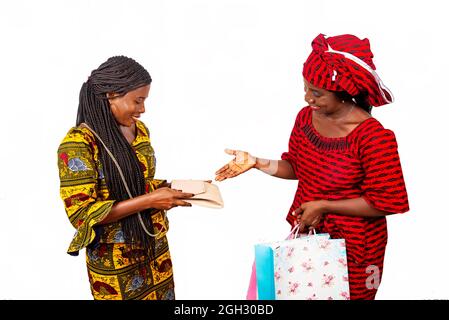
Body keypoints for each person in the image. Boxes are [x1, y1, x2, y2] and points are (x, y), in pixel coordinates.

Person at [215, 34, 409, 300]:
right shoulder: (306, 119)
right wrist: (257, 163)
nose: (308, 98)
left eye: (317, 92)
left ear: (344, 94)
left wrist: (324, 205)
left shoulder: (373, 137)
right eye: (305, 88)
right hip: (310, 238)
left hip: (357, 249)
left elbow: (387, 202)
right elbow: (298, 167)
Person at [57, 56, 194, 300]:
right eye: (138, 100)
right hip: (115, 261)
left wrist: (173, 189)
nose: (143, 109)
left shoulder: (139, 131)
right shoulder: (78, 144)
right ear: (111, 95)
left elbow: (138, 183)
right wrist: (151, 200)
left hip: (154, 247)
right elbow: (82, 214)